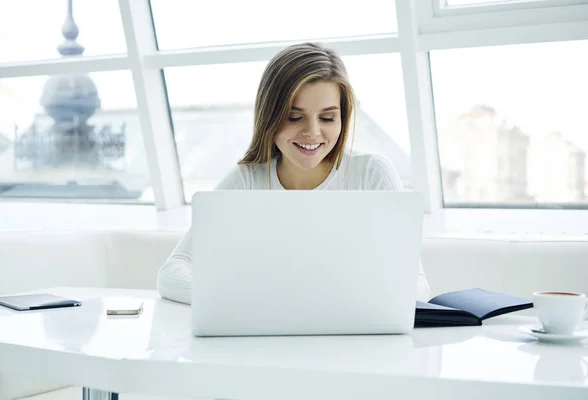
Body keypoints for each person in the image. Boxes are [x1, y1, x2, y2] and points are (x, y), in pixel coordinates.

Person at [157, 42, 431, 304]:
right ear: (270, 116)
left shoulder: (371, 174)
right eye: (294, 116)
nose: (312, 132)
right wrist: (242, 299)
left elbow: (416, 284)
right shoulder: (246, 181)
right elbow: (173, 271)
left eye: (327, 118)